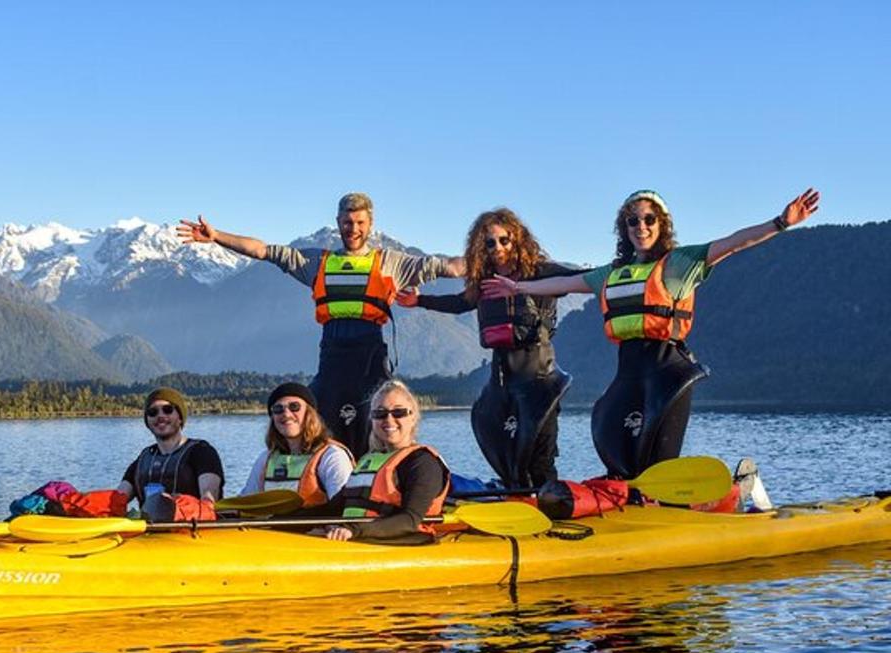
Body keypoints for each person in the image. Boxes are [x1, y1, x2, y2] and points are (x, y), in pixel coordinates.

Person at [483, 188, 820, 478]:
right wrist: (517, 287)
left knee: (657, 466)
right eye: (633, 220)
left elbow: (733, 243)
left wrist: (781, 223)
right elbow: (564, 283)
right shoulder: (613, 273)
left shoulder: (679, 263)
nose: (641, 227)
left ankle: (682, 507)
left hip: (668, 376)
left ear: (662, 224)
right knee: (615, 449)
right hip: (629, 375)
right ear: (624, 228)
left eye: (649, 219)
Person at [177, 193, 465, 458]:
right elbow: (263, 250)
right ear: (338, 223)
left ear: (371, 224)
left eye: (360, 223)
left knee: (387, 416)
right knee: (308, 417)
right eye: (347, 222)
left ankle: (398, 478)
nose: (353, 229)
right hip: (332, 357)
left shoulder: (390, 262)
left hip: (370, 357)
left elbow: (450, 267)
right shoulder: (316, 262)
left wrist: (499, 257)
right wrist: (216, 237)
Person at [398, 208, 582, 488]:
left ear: (516, 238)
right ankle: (515, 498)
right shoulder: (485, 280)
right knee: (508, 449)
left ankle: (548, 505)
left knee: (540, 457)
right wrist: (420, 301)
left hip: (539, 374)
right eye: (489, 243)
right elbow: (461, 302)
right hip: (503, 376)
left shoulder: (540, 272)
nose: (497, 247)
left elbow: (582, 279)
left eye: (504, 240)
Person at [319, 380, 451, 545]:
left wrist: (354, 530)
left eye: (398, 412)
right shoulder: (369, 461)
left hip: (402, 545)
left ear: (413, 417)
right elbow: (331, 509)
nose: (389, 419)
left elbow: (410, 520)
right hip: (358, 539)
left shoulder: (423, 463)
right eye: (380, 414)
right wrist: (282, 518)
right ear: (372, 420)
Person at [241, 382, 354, 508]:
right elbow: (246, 502)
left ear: (310, 413)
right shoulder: (265, 459)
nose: (286, 414)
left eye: (294, 407)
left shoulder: (332, 456)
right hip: (268, 527)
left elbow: (345, 507)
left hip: (318, 527)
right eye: (278, 409)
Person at [117, 387, 224, 516]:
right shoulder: (143, 459)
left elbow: (209, 498)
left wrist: (175, 506)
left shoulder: (202, 452)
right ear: (147, 421)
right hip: (149, 533)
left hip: (191, 530)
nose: (160, 416)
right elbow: (118, 498)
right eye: (153, 412)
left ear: (180, 417)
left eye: (167, 410)